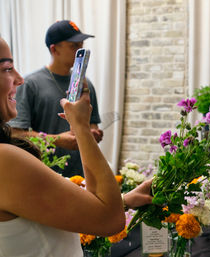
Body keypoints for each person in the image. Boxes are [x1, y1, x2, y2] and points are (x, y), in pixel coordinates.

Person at [0, 36, 153, 256]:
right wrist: (80, 126)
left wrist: (124, 200)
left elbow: (38, 209)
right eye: (7, 68)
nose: (18, 78)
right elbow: (110, 220)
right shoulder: (7, 161)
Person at [9, 20, 103, 177]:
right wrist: (57, 140)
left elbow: (92, 124)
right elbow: (15, 134)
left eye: (81, 45)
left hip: (83, 175)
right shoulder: (30, 84)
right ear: (54, 49)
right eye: (74, 46)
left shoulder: (86, 86)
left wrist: (91, 133)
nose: (80, 50)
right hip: (44, 175)